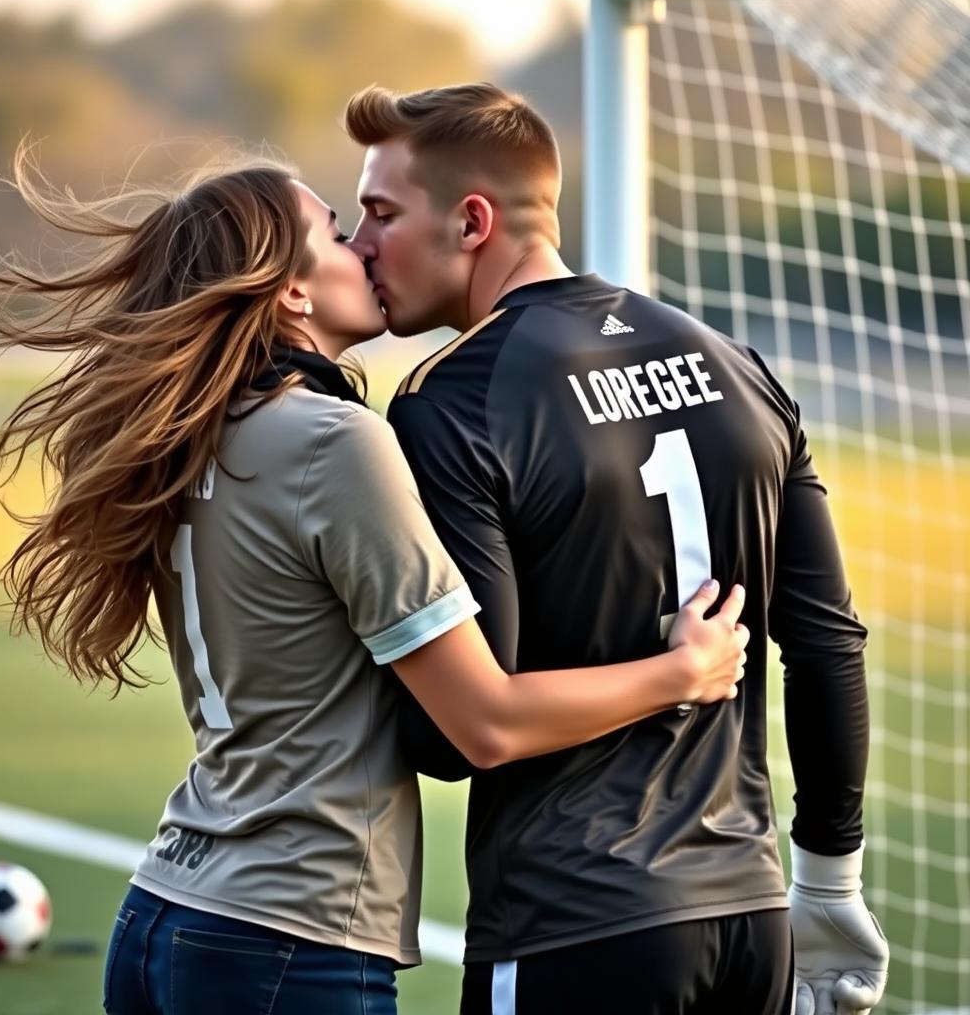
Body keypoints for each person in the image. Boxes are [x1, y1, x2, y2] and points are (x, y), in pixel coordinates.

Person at [0, 142, 750, 1015]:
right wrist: (684, 673)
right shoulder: (331, 442)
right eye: (335, 232)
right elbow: (483, 724)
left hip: (164, 917)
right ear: (292, 288)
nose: (362, 247)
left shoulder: (193, 433)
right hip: (289, 939)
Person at [345, 82, 890, 1015]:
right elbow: (829, 642)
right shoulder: (737, 366)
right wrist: (831, 882)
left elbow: (455, 739)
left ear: (472, 220)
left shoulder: (454, 402)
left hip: (574, 925)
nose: (359, 244)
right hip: (751, 922)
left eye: (381, 212)